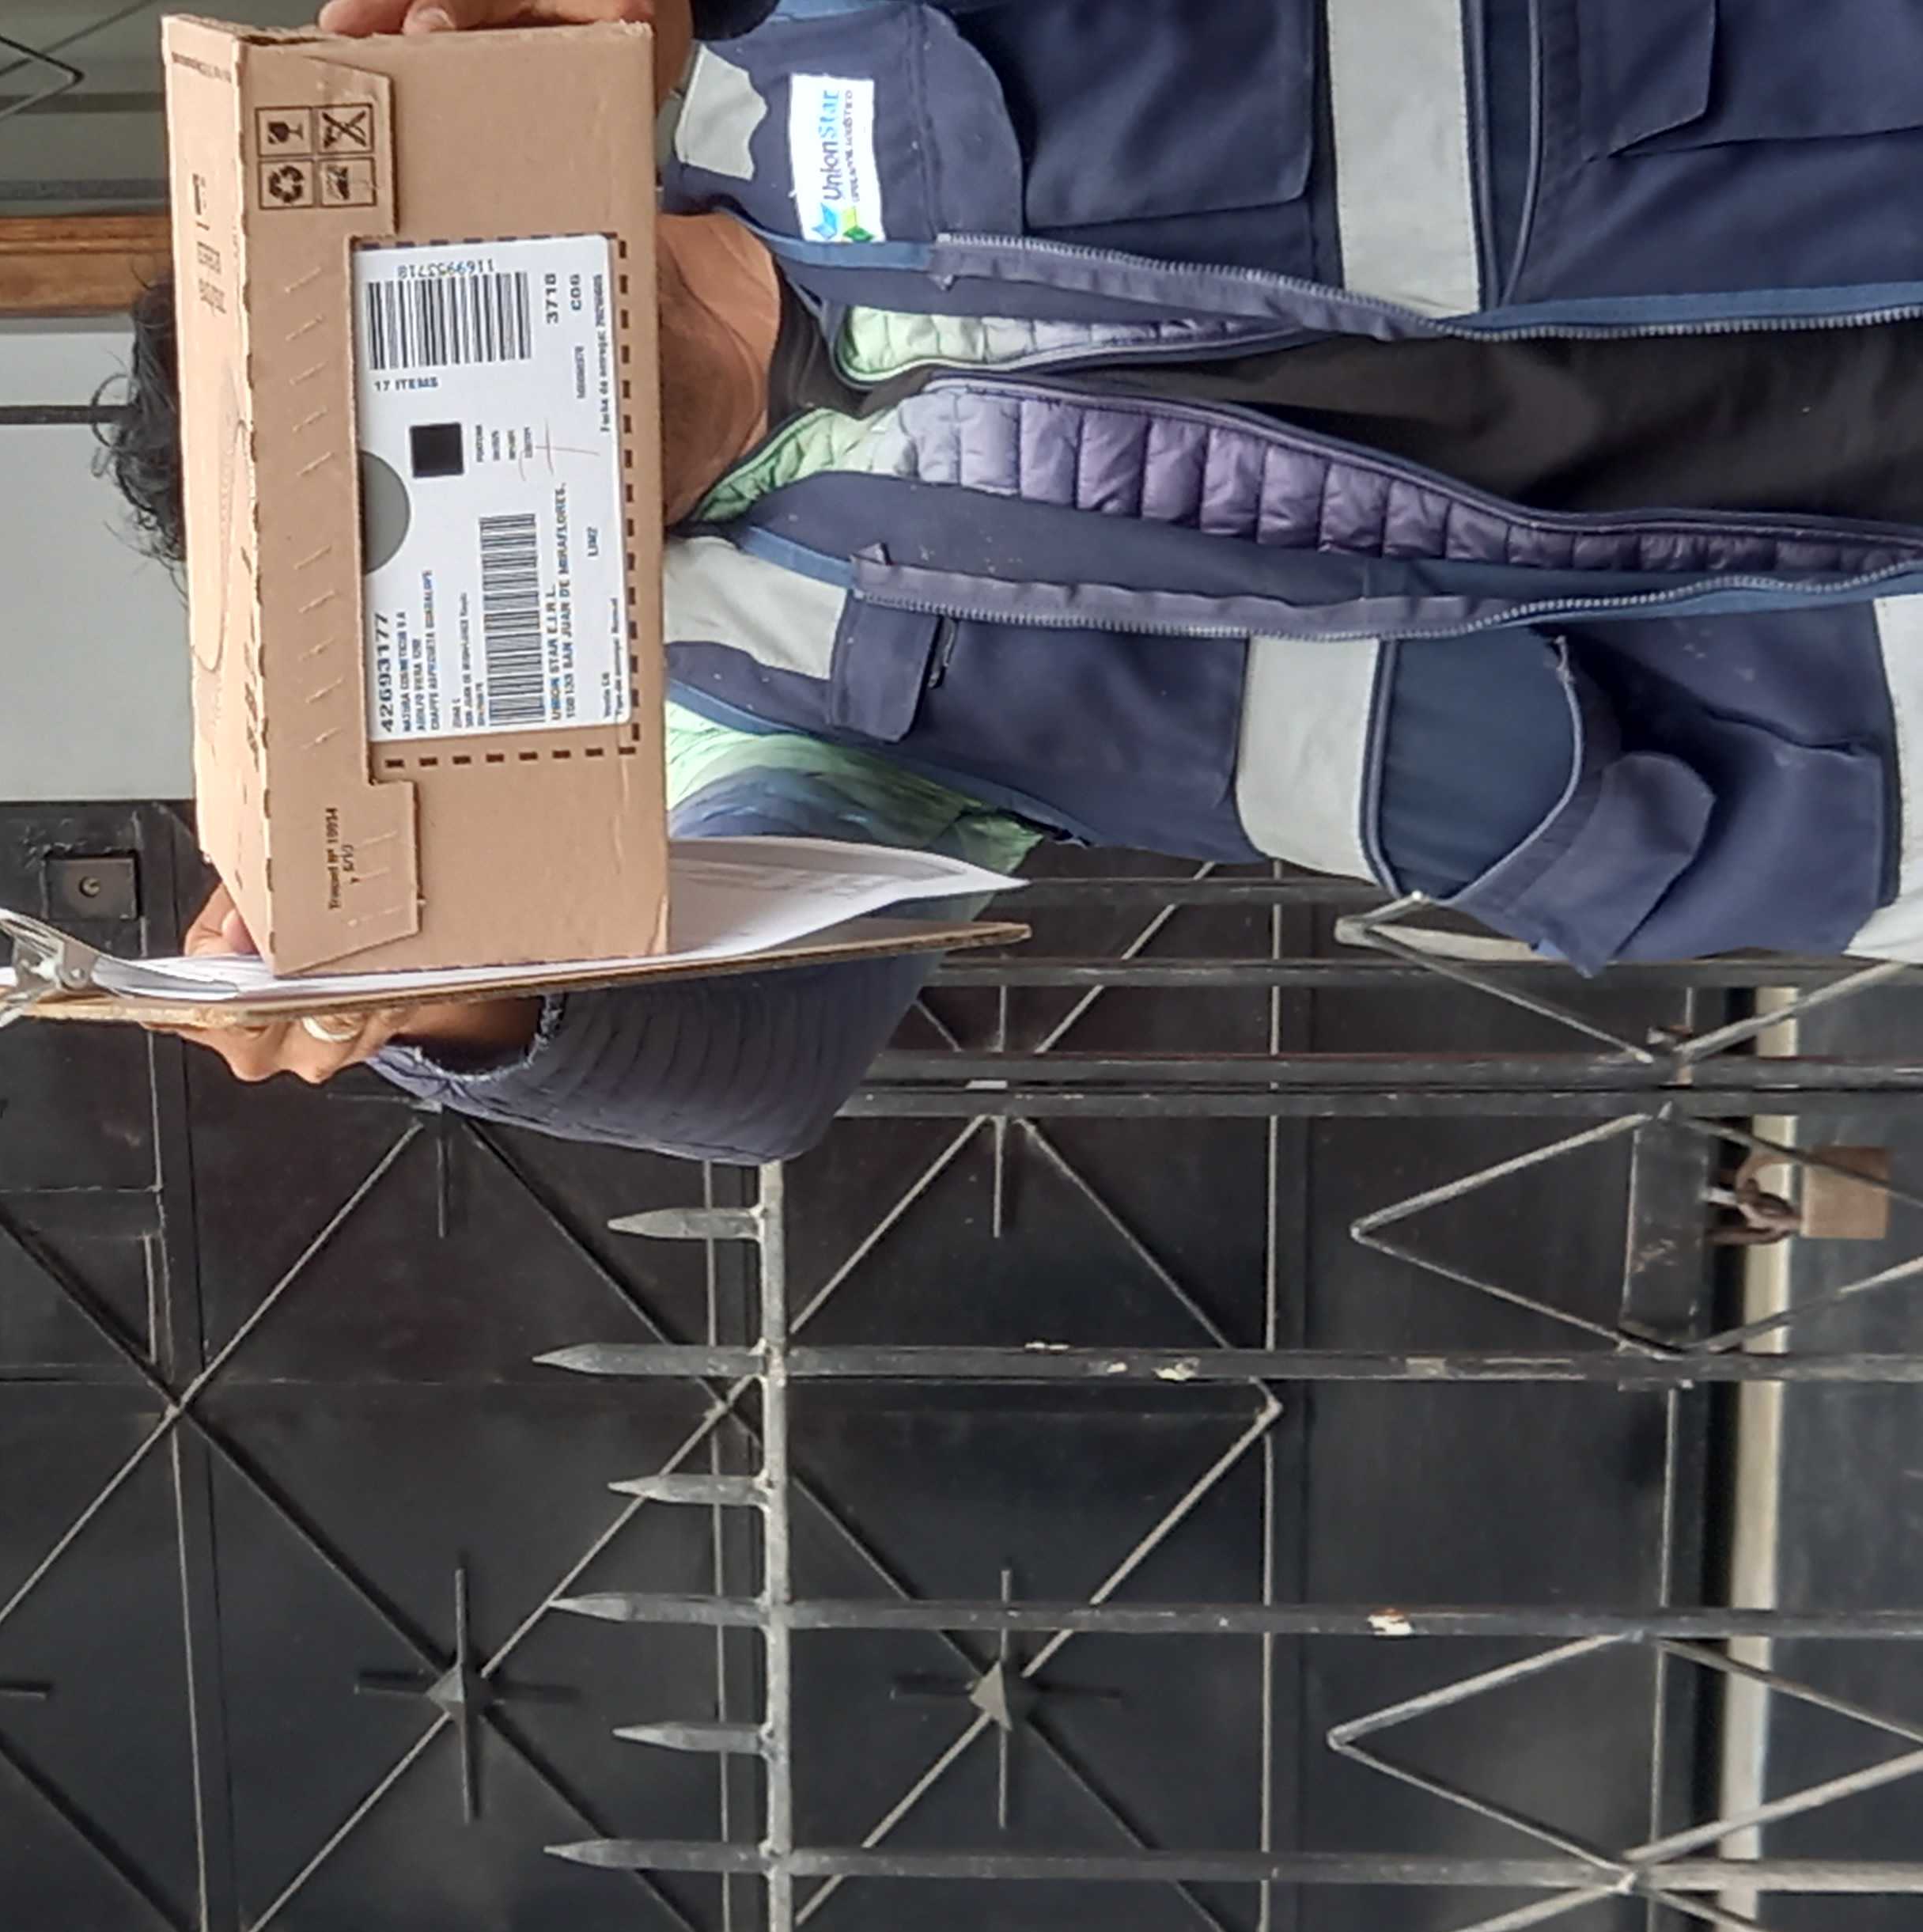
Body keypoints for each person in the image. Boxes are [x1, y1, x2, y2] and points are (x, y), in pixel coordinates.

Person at [101, 0, 1923, 1163]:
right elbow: (760, 1062)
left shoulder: (802, 42)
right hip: (1818, 730)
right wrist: (456, 996)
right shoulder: (741, 714)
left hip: (1827, 156)